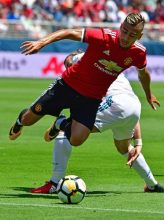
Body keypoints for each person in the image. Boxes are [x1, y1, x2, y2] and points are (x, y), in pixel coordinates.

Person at [9, 13, 160, 148]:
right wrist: (41, 43)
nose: (126, 37)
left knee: (77, 140)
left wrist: (148, 94)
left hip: (91, 98)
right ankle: (19, 123)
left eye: (132, 35)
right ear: (121, 27)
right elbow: (69, 32)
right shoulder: (103, 37)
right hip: (66, 86)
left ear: (139, 36)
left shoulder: (139, 53)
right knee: (28, 119)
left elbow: (143, 74)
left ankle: (59, 123)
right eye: (125, 31)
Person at [30, 52, 164, 194]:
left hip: (115, 103)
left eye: (69, 64)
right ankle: (152, 184)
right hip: (133, 105)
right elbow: (128, 109)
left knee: (68, 130)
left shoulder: (81, 62)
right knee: (124, 148)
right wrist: (138, 141)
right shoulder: (107, 64)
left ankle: (54, 182)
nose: (68, 68)